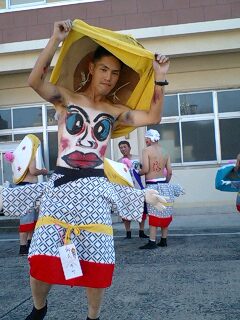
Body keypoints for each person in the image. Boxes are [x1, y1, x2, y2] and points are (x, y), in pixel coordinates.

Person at [1, 20, 170, 320]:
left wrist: (160, 78)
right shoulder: (66, 99)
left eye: (115, 73)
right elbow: (34, 80)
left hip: (95, 189)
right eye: (104, 69)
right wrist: (55, 38)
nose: (109, 77)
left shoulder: (114, 112)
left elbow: (153, 116)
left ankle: (93, 316)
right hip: (60, 188)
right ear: (91, 68)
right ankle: (39, 309)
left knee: (98, 262)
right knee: (41, 259)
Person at [139, 129, 184, 249]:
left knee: (153, 212)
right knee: (165, 211)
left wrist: (137, 173)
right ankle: (164, 240)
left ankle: (152, 241)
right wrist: (166, 183)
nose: (146, 141)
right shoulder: (165, 151)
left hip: (152, 185)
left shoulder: (146, 150)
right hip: (164, 184)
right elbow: (169, 172)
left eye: (146, 139)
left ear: (148, 139)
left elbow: (146, 169)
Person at [4, 134, 48, 256]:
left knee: (28, 219)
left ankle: (27, 246)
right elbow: (33, 171)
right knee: (28, 219)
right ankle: (24, 248)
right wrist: (43, 171)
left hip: (22, 188)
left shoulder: (18, 156)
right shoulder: (30, 156)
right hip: (29, 189)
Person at [118, 140, 149, 239]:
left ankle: (141, 231)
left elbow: (144, 170)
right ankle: (128, 232)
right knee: (126, 211)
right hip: (125, 190)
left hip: (138, 188)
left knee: (142, 210)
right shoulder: (119, 162)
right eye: (121, 147)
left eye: (124, 147)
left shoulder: (137, 159)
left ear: (129, 147)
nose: (123, 149)